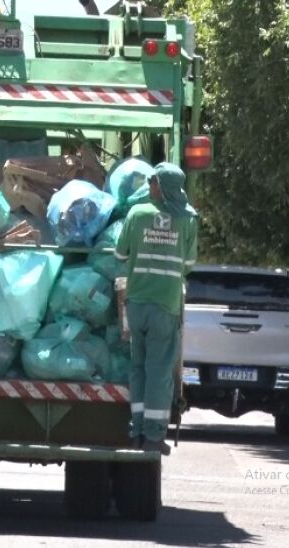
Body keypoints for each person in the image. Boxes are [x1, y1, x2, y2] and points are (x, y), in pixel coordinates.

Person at [114, 162, 198, 453]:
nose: (148, 186)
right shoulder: (188, 220)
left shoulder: (136, 214)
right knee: (159, 371)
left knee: (137, 367)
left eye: (152, 182)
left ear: (161, 187)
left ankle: (136, 430)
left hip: (136, 303)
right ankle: (153, 436)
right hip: (165, 305)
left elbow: (120, 252)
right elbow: (188, 264)